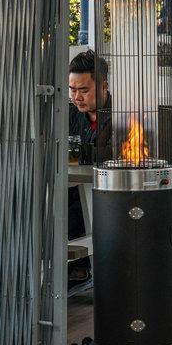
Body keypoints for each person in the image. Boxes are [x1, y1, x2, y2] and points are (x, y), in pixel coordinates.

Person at [67, 50, 112, 282]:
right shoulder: (68, 114)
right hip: (70, 191)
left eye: (84, 90)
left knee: (68, 216)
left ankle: (79, 269)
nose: (77, 97)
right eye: (72, 90)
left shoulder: (122, 116)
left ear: (103, 86)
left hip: (107, 197)